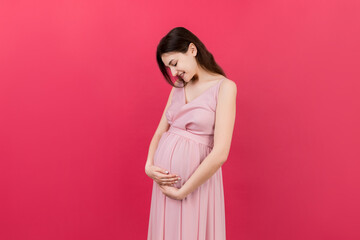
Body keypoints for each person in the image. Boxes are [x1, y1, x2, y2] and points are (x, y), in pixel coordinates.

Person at [145, 27, 237, 240]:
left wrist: (183, 191)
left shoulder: (225, 87)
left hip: (194, 188)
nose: (174, 73)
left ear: (192, 49)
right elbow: (160, 132)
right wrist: (149, 165)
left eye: (175, 64)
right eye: (169, 68)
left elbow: (221, 152)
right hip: (166, 189)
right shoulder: (178, 86)